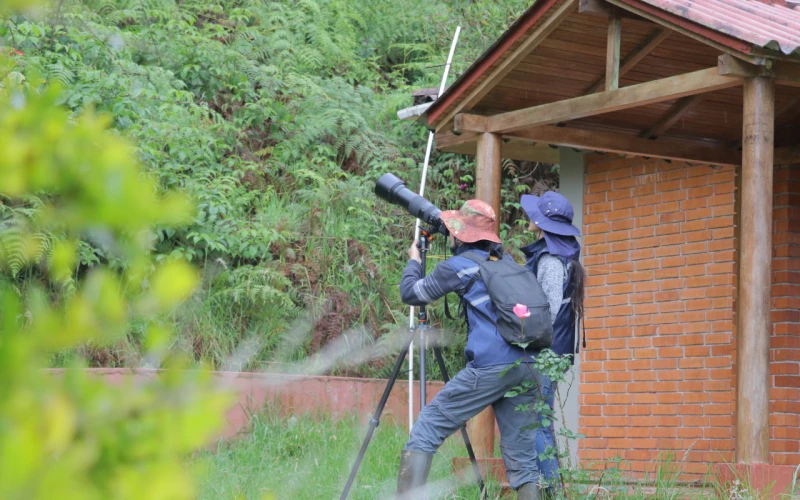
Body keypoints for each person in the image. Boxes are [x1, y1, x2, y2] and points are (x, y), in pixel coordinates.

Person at [396, 199, 544, 500]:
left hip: (492, 366)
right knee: (523, 460)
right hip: (530, 364)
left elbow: (412, 294)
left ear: (461, 234)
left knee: (428, 426)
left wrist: (415, 259)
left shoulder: (461, 266)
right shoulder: (509, 265)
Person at [519, 191, 585, 495]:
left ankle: (552, 491)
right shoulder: (564, 256)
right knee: (542, 421)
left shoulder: (549, 259)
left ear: (540, 221)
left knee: (534, 422)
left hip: (544, 354)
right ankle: (554, 489)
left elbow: (547, 309)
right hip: (556, 353)